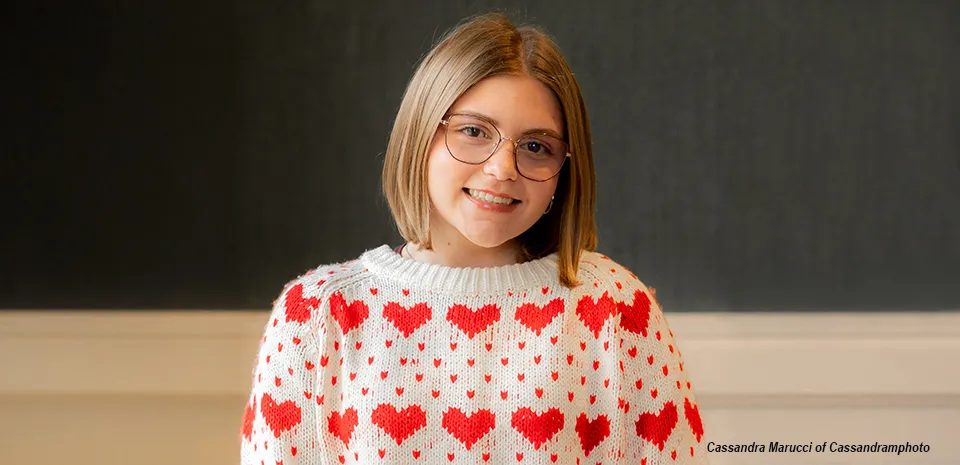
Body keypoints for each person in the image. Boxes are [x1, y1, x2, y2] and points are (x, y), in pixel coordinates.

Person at [240, 12, 709, 465]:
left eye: (536, 146)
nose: (502, 169)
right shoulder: (318, 315)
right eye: (473, 131)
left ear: (563, 172)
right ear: (420, 133)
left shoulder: (615, 310)